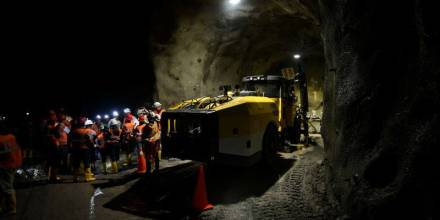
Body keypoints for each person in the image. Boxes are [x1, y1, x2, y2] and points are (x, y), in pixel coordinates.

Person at [0, 119, 22, 216]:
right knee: (6, 185)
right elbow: (16, 149)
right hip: (13, 164)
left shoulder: (0, 139)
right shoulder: (11, 137)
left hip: (5, 165)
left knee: (7, 187)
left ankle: (11, 208)